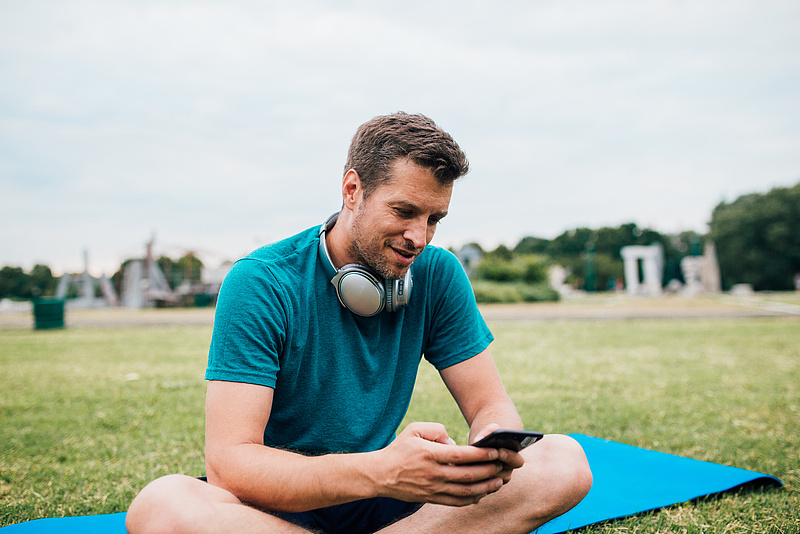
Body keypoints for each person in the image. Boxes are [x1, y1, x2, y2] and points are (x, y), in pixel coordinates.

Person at [126, 112, 592, 534]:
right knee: (162, 507)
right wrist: (385, 469)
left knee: (563, 462)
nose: (419, 238)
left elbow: (492, 404)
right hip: (269, 507)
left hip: (382, 502)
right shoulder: (260, 281)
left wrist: (488, 451)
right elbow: (231, 464)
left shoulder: (438, 272)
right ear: (353, 190)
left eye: (434, 219)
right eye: (405, 211)